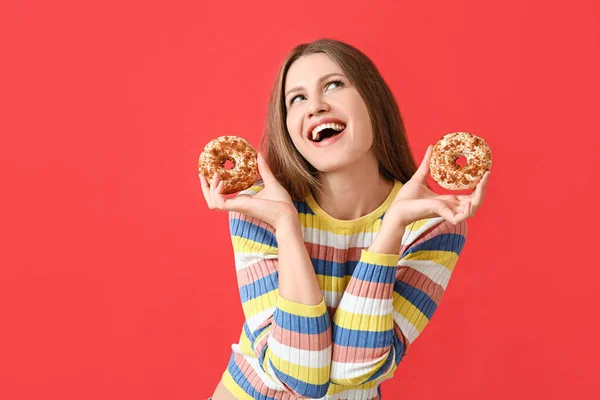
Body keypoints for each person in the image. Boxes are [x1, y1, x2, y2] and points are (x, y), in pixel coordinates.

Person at [199, 38, 490, 400]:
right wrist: (288, 228)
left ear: (372, 100)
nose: (316, 106)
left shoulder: (433, 223)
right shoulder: (261, 209)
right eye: (297, 98)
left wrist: (392, 227)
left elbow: (358, 369)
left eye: (334, 85)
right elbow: (297, 374)